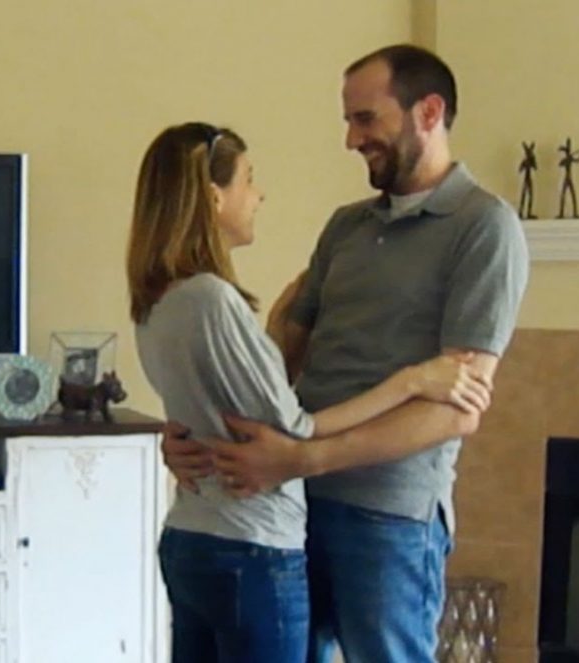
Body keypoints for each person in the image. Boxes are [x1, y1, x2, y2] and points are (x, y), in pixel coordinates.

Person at [160, 45, 530, 663]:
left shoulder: (485, 227)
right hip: (293, 504)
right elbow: (281, 356)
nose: (352, 139)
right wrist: (196, 430)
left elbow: (456, 408)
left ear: (428, 112)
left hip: (389, 516)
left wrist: (305, 457)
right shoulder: (345, 226)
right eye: (349, 121)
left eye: (365, 119)